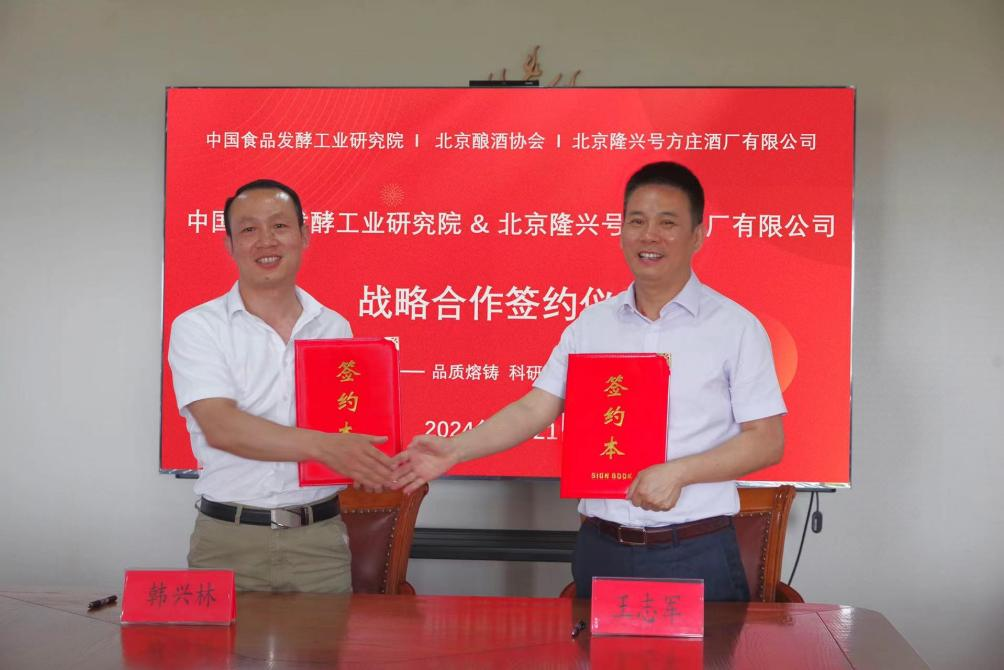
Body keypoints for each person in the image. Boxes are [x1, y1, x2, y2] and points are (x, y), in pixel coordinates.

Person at [393, 162, 786, 600]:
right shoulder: (592, 324)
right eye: (636, 221)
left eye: (667, 223)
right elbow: (535, 407)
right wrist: (455, 449)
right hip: (603, 547)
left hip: (694, 549)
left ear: (697, 235)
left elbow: (767, 440)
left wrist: (680, 473)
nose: (649, 236)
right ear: (621, 231)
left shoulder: (735, 327)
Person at [168, 179, 395, 593]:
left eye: (279, 226)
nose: (266, 241)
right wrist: (326, 447)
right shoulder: (198, 327)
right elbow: (221, 427)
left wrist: (365, 463)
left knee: (325, 638)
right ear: (229, 244)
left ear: (304, 235)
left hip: (319, 543)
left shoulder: (334, 327)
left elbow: (345, 424)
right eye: (248, 229)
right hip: (228, 541)